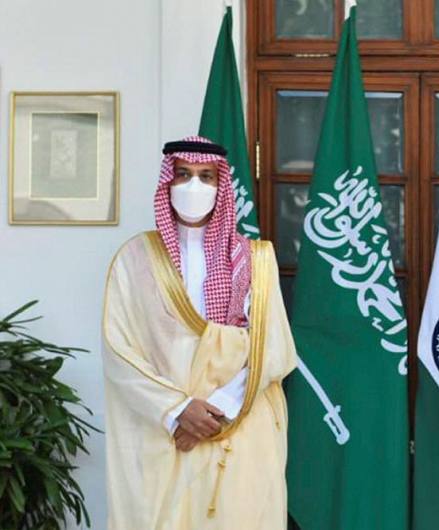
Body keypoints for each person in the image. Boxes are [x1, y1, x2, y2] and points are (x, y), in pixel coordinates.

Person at [102, 136, 296, 529]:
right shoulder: (134, 258)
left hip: (239, 424)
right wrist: (178, 411)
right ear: (168, 182)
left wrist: (216, 410)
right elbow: (118, 348)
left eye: (206, 176)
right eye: (184, 174)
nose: (195, 186)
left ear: (221, 185)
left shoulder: (256, 259)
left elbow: (273, 347)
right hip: (163, 431)